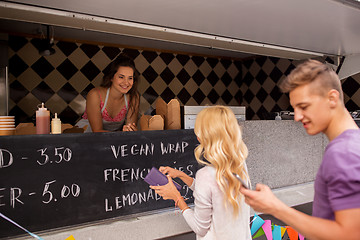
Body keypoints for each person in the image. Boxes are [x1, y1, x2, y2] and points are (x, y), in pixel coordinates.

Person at [240, 60, 360, 239]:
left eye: (303, 107)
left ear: (332, 98)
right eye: (294, 108)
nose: (296, 117)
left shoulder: (342, 152)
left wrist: (275, 207)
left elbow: (348, 234)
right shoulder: (353, 142)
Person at [151, 106, 251, 240]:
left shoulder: (206, 175)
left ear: (202, 137)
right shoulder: (240, 164)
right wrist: (182, 176)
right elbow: (216, 192)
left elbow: (200, 228)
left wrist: (177, 198)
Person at [77, 54, 140, 132]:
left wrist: (130, 131)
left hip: (113, 141)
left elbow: (130, 130)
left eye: (130, 78)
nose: (126, 83)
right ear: (111, 77)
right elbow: (97, 131)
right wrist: (122, 135)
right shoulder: (95, 94)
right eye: (121, 77)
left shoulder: (133, 97)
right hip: (85, 137)